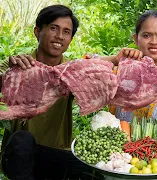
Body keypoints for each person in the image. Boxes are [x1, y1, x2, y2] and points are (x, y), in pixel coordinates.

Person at [0, 5, 103, 180]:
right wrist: (9, 74)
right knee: (22, 140)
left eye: (66, 32)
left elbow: (101, 74)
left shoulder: (71, 72)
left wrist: (119, 59)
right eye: (53, 28)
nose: (59, 36)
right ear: (37, 31)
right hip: (19, 157)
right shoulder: (16, 65)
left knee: (93, 169)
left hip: (57, 156)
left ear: (70, 39)